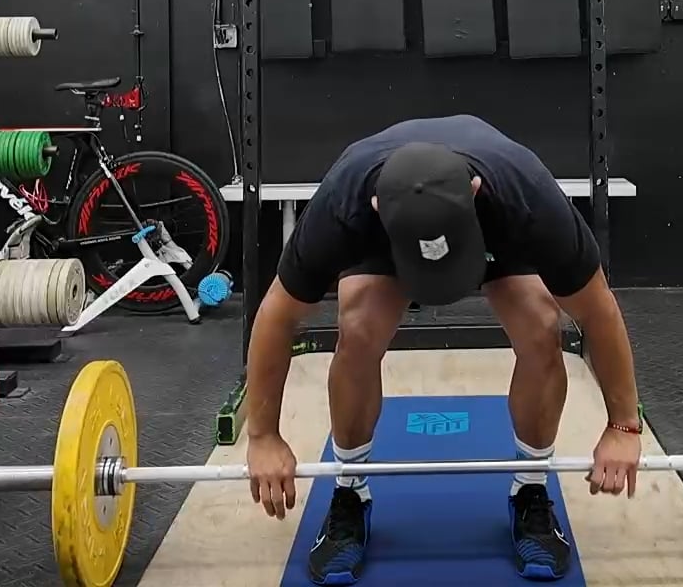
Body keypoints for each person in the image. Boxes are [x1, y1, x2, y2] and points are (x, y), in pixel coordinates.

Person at [242, 115, 644, 585]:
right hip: (390, 238)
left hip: (491, 230)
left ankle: (531, 490)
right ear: (374, 207)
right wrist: (263, 437)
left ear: (475, 189)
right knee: (358, 330)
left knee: (540, 326)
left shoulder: (526, 196)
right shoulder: (344, 205)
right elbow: (276, 314)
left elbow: (598, 312)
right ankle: (350, 492)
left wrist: (623, 426)